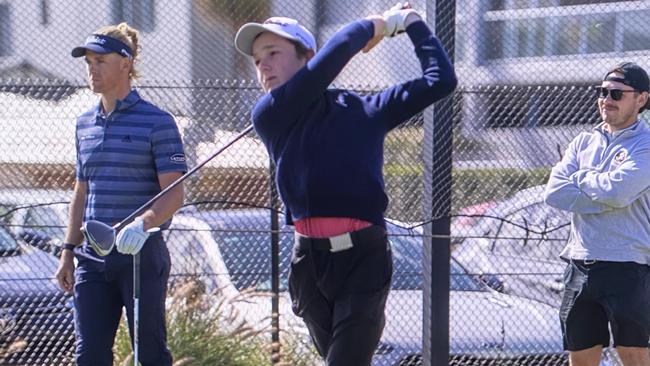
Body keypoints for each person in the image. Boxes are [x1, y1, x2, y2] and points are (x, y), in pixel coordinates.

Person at [234, 4, 457, 365]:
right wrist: (378, 27)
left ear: (307, 57)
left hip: (363, 260)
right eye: (258, 60)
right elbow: (338, 50)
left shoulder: (365, 110)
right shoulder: (270, 113)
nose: (264, 66)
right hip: (309, 263)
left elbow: (441, 80)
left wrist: (410, 23)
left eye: (273, 53)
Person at [54, 23, 187, 366]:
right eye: (88, 62)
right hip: (92, 259)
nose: (92, 68)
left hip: (140, 256)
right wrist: (68, 250)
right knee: (90, 356)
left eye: (101, 60)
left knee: (150, 355)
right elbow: (81, 191)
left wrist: (144, 224)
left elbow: (174, 192)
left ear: (125, 63)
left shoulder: (157, 121)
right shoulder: (84, 123)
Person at [544, 62, 650, 366]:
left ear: (641, 99)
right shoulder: (582, 141)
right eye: (602, 92)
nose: (606, 99)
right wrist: (603, 193)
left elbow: (618, 192)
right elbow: (554, 193)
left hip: (628, 265)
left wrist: (580, 179)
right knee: (581, 356)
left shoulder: (645, 144)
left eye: (616, 93)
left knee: (633, 354)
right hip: (579, 262)